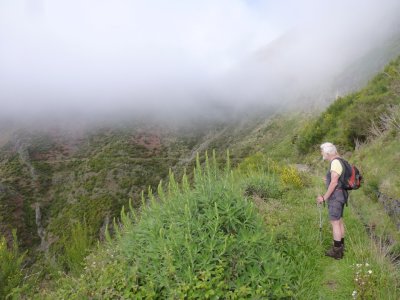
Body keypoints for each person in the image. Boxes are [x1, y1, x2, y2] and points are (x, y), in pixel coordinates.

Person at [316, 142, 348, 260]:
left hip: (335, 196)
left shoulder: (334, 162)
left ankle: (337, 252)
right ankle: (341, 246)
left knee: (335, 223)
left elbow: (334, 182)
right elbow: (337, 178)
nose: (321, 153)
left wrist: (324, 197)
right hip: (342, 195)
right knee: (339, 221)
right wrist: (327, 179)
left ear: (328, 152)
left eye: (322, 151)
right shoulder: (340, 160)